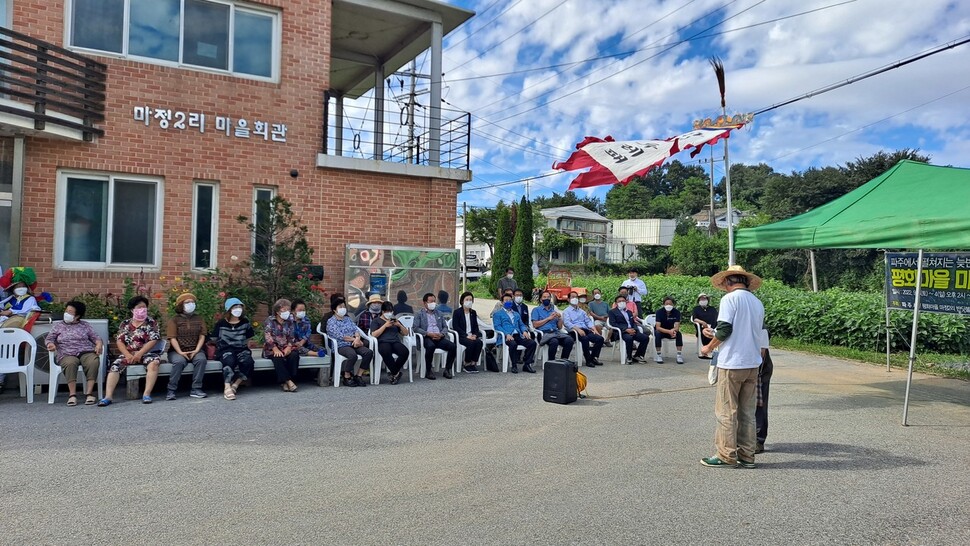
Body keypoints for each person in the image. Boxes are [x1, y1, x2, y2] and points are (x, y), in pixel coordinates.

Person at [700, 265, 765, 469]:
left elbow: (726, 329)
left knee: (727, 410)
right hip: (752, 362)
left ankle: (725, 454)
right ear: (745, 282)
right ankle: (747, 455)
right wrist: (717, 333)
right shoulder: (757, 302)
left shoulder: (729, 299)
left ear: (728, 282)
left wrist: (708, 347)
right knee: (747, 411)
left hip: (732, 363)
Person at [100, 296, 162, 406]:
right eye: (139, 307)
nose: (142, 309)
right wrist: (127, 355)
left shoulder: (151, 322)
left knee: (154, 364)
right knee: (115, 367)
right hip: (129, 353)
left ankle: (146, 394)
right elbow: (120, 341)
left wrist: (140, 353)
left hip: (147, 353)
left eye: (144, 307)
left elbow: (153, 340)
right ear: (132, 310)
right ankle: (108, 397)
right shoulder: (125, 324)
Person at [45, 300, 103, 406]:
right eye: (66, 311)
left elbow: (96, 338)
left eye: (70, 312)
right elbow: (49, 339)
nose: (67, 313)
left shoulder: (85, 325)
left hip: (85, 351)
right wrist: (50, 344)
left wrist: (98, 344)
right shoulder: (59, 326)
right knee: (70, 363)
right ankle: (72, 395)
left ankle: (89, 393)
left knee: (93, 361)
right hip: (66, 353)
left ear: (77, 316)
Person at [211, 298, 256, 400]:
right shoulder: (221, 323)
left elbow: (249, 337)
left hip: (241, 349)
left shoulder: (245, 322)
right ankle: (227, 387)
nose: (238, 309)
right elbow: (213, 338)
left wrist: (246, 345)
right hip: (225, 349)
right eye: (235, 307)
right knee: (229, 360)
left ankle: (235, 384)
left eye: (240, 307)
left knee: (248, 361)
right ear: (229, 309)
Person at [165, 292, 208, 401]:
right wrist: (180, 352)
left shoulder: (199, 318)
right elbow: (172, 338)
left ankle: (196, 388)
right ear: (181, 305)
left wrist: (197, 350)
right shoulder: (174, 320)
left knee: (201, 360)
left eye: (192, 302)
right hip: (177, 351)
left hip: (195, 349)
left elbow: (202, 335)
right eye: (187, 302)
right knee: (179, 362)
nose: (191, 304)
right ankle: (171, 389)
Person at [327, 297, 372, 387]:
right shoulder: (331, 322)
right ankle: (346, 376)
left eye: (344, 306)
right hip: (341, 345)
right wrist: (355, 340)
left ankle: (358, 375)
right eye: (340, 307)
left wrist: (358, 338)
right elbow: (340, 336)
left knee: (368, 352)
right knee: (352, 355)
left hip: (354, 343)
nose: (343, 308)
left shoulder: (348, 319)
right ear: (334, 310)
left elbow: (356, 329)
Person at [412, 293, 457, 380]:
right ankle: (428, 371)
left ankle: (447, 369)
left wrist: (441, 334)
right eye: (431, 301)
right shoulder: (419, 314)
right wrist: (428, 333)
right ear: (425, 303)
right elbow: (415, 328)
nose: (433, 303)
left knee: (453, 346)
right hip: (427, 337)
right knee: (431, 346)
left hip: (439, 337)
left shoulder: (439, 313)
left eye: (434, 301)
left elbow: (445, 327)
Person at [491, 292, 536, 373]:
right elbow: (497, 326)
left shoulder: (516, 314)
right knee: (513, 344)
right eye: (506, 300)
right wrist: (506, 334)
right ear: (502, 302)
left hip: (518, 335)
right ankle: (514, 365)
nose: (508, 302)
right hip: (506, 336)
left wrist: (525, 331)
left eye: (510, 300)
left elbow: (521, 324)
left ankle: (527, 365)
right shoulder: (497, 314)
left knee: (532, 343)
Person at [264, 298, 300, 392]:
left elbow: (292, 336)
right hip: (272, 348)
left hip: (286, 346)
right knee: (277, 357)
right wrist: (275, 349)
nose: (287, 312)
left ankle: (286, 382)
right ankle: (288, 381)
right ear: (277, 311)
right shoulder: (270, 320)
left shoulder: (290, 320)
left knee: (294, 355)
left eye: (288, 310)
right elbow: (268, 336)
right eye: (284, 310)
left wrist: (288, 347)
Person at [371, 301, 410, 384]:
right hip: (383, 342)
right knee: (386, 351)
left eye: (391, 311)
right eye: (387, 311)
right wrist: (385, 326)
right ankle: (396, 373)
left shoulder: (395, 320)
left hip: (395, 341)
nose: (389, 313)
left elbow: (406, 333)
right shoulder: (376, 321)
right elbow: (374, 334)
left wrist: (399, 325)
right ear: (383, 311)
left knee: (405, 352)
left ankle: (393, 373)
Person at [562, 291, 604, 368]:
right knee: (585, 339)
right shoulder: (566, 311)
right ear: (568, 299)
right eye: (573, 297)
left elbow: (588, 321)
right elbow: (567, 323)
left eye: (576, 297)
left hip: (585, 330)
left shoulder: (582, 311)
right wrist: (578, 329)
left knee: (600, 338)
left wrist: (594, 329)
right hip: (574, 331)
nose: (575, 299)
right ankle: (588, 360)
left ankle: (593, 358)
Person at [531, 290, 573, 361]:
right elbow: (535, 325)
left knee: (569, 340)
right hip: (543, 333)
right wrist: (548, 318)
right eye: (544, 297)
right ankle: (551, 362)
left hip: (555, 333)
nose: (546, 299)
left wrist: (560, 318)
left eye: (548, 297)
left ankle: (563, 361)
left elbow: (559, 327)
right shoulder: (536, 310)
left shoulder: (553, 310)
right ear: (541, 299)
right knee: (554, 341)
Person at [608, 295, 649, 364]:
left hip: (632, 330)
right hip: (621, 332)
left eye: (623, 301)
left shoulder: (629, 312)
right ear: (616, 303)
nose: (622, 302)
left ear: (626, 302)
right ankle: (629, 357)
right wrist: (626, 329)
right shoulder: (612, 312)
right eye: (619, 301)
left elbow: (632, 322)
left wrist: (634, 329)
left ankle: (638, 355)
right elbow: (613, 324)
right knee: (629, 338)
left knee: (645, 338)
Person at [451, 291, 483, 373]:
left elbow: (476, 326)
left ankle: (473, 363)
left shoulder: (473, 312)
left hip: (471, 335)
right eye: (467, 299)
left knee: (479, 342)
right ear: (462, 301)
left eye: (470, 300)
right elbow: (456, 327)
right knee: (471, 343)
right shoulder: (457, 312)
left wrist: (475, 335)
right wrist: (466, 335)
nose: (469, 301)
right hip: (461, 336)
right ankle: (466, 363)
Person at [653, 296, 685, 364]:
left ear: (673, 304)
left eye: (670, 304)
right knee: (657, 334)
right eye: (666, 303)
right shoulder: (659, 312)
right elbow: (658, 327)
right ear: (663, 304)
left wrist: (673, 331)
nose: (668, 305)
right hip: (661, 331)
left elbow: (677, 327)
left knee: (679, 334)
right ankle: (659, 354)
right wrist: (669, 331)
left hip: (671, 331)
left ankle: (679, 355)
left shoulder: (676, 312)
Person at [756, 329, 772, 454]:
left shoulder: (760, 325)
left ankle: (758, 440)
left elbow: (762, 352)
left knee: (759, 404)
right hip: (744, 368)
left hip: (759, 370)